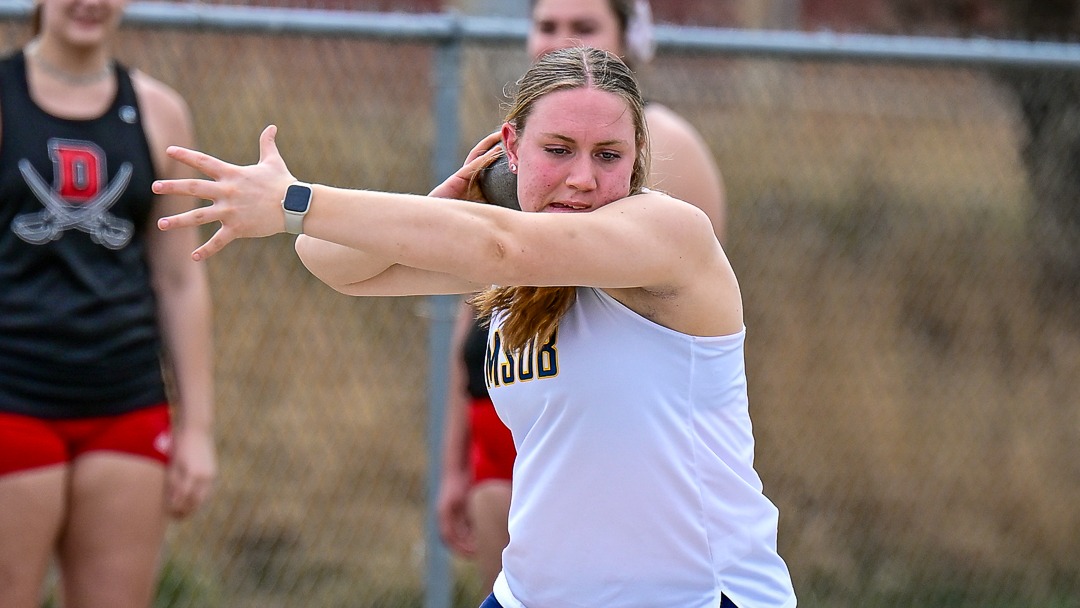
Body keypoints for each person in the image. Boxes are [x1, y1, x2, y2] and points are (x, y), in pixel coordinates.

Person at [154, 46, 796, 608]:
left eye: (608, 155)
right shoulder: (519, 260)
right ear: (511, 148)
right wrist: (444, 200)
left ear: (637, 159)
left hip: (692, 596)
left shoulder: (669, 236)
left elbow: (503, 247)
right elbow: (335, 266)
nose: (582, 178)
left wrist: (298, 201)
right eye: (557, 150)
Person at [438, 0, 728, 591]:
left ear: (628, 37)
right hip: (504, 410)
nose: (559, 40)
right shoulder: (508, 160)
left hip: (605, 445)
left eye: (583, 27)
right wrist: (452, 463)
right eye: (547, 26)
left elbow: (693, 319)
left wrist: (299, 208)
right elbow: (479, 298)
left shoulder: (667, 147)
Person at [0, 1, 216, 607]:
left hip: (125, 404)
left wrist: (196, 428)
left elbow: (179, 279)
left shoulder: (159, 111)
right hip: (13, 403)